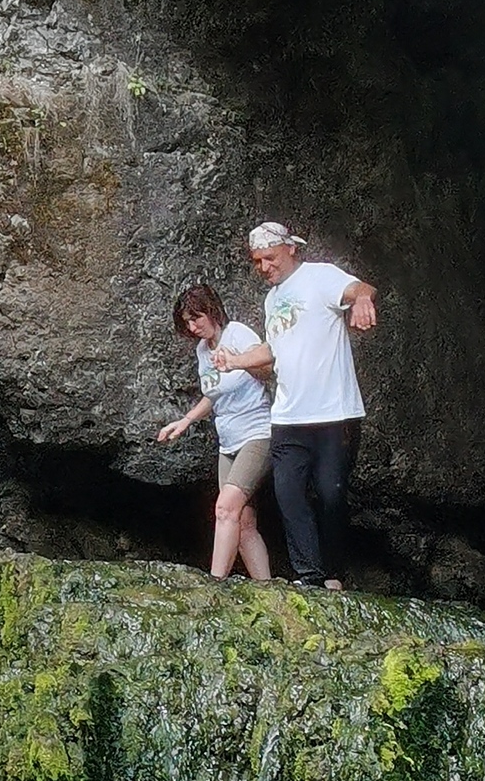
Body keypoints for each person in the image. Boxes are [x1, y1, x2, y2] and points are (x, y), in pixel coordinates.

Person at [212, 220, 377, 591]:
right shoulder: (272, 300)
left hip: (334, 414)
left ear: (290, 249)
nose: (263, 267)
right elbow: (275, 349)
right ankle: (309, 575)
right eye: (256, 261)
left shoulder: (320, 277)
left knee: (331, 493)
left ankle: (333, 575)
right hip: (288, 416)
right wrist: (236, 362)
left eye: (268, 258)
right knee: (289, 494)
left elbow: (360, 288)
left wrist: (363, 300)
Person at [155, 282, 274, 580]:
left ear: (212, 311)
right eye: (188, 322)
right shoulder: (201, 350)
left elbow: (267, 366)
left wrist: (236, 362)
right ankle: (267, 587)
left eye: (197, 318)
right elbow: (214, 393)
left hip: (257, 431)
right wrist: (185, 420)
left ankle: (214, 583)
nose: (194, 326)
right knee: (243, 520)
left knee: (225, 508)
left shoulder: (238, 334)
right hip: (228, 441)